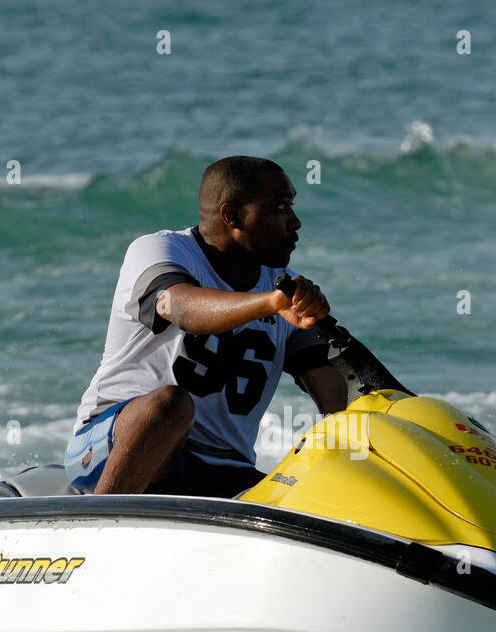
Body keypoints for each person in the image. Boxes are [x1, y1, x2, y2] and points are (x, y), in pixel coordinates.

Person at [64, 156, 348, 499]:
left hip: (220, 470)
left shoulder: (282, 290)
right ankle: (102, 526)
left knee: (310, 489)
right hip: (107, 447)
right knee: (170, 405)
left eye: (292, 206)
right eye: (280, 207)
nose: (296, 222)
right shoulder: (160, 250)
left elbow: (336, 396)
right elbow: (181, 307)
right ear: (232, 216)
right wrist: (269, 304)